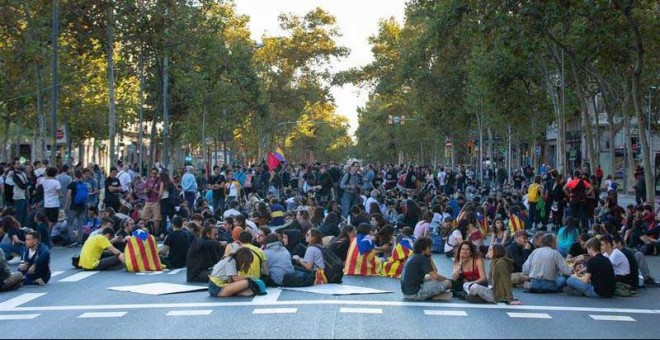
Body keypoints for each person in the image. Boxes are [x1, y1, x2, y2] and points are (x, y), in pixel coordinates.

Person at [400, 237, 453, 301]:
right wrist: (449, 280)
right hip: (415, 293)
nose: (431, 249)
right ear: (423, 249)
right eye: (429, 247)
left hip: (406, 293)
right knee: (448, 283)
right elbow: (435, 276)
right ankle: (432, 295)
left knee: (429, 277)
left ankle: (434, 295)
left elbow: (432, 274)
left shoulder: (412, 257)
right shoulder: (423, 258)